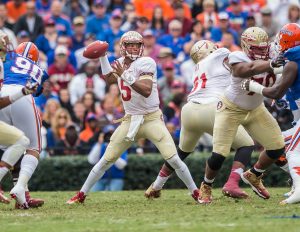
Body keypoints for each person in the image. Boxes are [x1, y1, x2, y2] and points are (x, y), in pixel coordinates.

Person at [67, 31, 201, 204]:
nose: (133, 48)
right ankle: (81, 194)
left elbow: (145, 90)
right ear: (123, 47)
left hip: (151, 118)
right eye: (129, 45)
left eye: (136, 45)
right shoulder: (120, 63)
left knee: (173, 157)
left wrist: (125, 74)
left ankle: (196, 192)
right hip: (130, 119)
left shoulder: (147, 62)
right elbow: (109, 79)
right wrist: (103, 57)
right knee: (107, 159)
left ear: (141, 47)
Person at [145, 40, 254, 200]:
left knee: (181, 152)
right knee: (246, 145)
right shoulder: (220, 54)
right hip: (212, 108)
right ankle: (227, 184)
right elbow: (240, 58)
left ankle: (156, 186)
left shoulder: (197, 66)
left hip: (189, 110)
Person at [197, 27, 285, 204]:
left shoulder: (274, 54)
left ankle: (254, 174)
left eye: (263, 47)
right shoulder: (237, 57)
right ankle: (206, 186)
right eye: (256, 48)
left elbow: (284, 73)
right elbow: (247, 69)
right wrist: (272, 64)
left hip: (256, 109)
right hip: (230, 108)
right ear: (245, 46)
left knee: (276, 147)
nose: (261, 51)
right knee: (219, 154)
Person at [241, 23, 300, 204]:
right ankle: (256, 174)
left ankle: (299, 189)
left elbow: (276, 92)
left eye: (281, 39)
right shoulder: (292, 60)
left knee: (292, 151)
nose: (277, 43)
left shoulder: (293, 60)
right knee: (281, 142)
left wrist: (253, 86)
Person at [0, 41, 49, 209]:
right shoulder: (40, 70)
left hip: (2, 96)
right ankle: (20, 188)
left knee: (13, 146)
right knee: (33, 148)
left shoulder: (6, 58)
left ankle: (24, 197)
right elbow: (38, 90)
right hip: (22, 95)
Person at [88, 125, 128, 191]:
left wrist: (112, 152)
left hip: (116, 178)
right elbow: (91, 160)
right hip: (99, 178)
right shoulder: (99, 145)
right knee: (92, 194)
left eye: (112, 134)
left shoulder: (121, 145)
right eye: (108, 135)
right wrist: (99, 144)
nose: (110, 137)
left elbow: (122, 165)